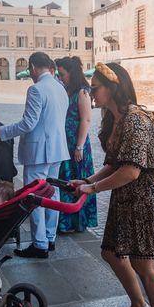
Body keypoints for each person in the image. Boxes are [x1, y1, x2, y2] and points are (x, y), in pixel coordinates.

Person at [70, 62, 154, 307]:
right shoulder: (115, 119)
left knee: (143, 264)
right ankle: (139, 306)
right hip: (124, 198)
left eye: (96, 88)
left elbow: (131, 171)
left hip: (142, 200)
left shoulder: (137, 120)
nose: (92, 95)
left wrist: (93, 188)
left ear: (113, 87)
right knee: (112, 253)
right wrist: (88, 180)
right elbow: (115, 164)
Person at [0, 52, 69, 259]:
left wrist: (2, 132)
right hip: (57, 148)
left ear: (33, 67)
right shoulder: (60, 88)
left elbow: (28, 123)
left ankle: (39, 243)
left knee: (33, 197)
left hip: (39, 151)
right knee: (53, 194)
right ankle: (50, 238)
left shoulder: (36, 89)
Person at [55, 57, 98, 233]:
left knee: (77, 178)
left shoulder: (82, 92)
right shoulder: (67, 90)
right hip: (66, 142)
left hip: (76, 144)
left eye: (62, 74)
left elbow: (86, 120)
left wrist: (79, 146)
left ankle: (76, 221)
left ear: (71, 73)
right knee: (66, 179)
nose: (60, 77)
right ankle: (65, 221)